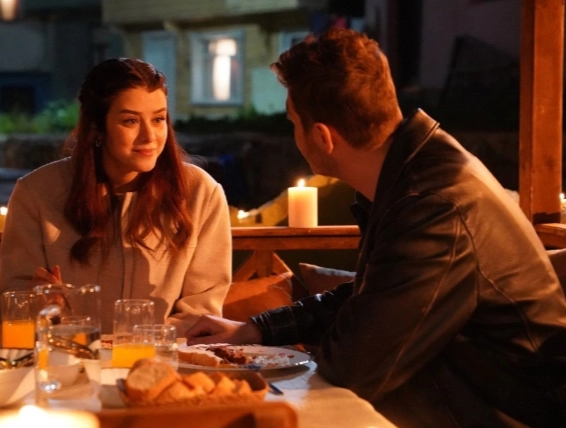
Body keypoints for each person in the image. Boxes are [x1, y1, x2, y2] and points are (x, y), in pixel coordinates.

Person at [186, 28, 566, 427]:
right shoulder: (416, 174)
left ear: (322, 137)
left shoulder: (431, 204)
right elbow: (376, 299)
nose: (294, 134)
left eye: (293, 122)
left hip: (514, 414)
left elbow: (353, 367)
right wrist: (255, 330)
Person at [0, 58, 232, 335]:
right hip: (69, 353)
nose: (149, 136)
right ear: (97, 127)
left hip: (163, 358)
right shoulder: (37, 192)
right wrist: (39, 305)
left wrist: (134, 345)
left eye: (158, 119)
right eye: (130, 121)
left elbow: (201, 312)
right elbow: (10, 305)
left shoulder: (200, 192)